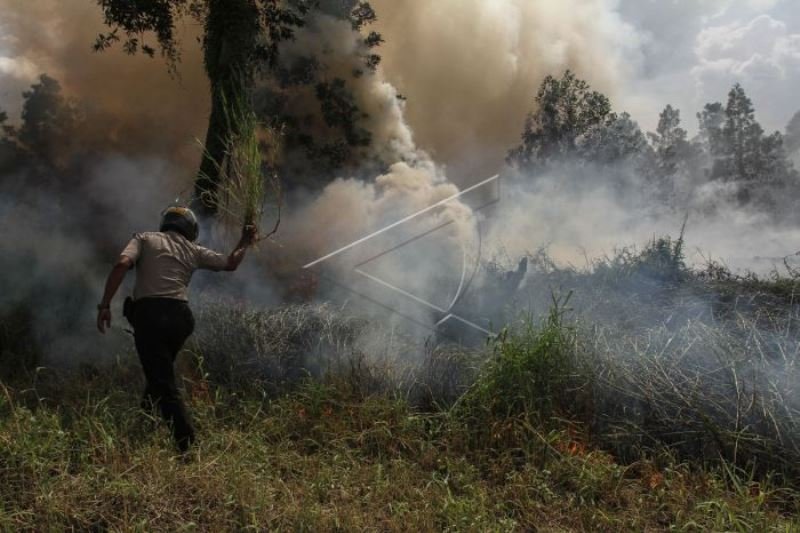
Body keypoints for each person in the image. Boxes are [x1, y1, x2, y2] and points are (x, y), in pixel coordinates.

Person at [96, 206, 257, 452]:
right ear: (190, 229)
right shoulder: (193, 249)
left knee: (163, 380)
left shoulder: (144, 238)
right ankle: (145, 422)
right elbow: (231, 263)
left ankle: (187, 445)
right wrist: (245, 240)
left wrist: (105, 304)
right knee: (159, 370)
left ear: (166, 222)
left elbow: (121, 264)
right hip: (181, 320)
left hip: (150, 317)